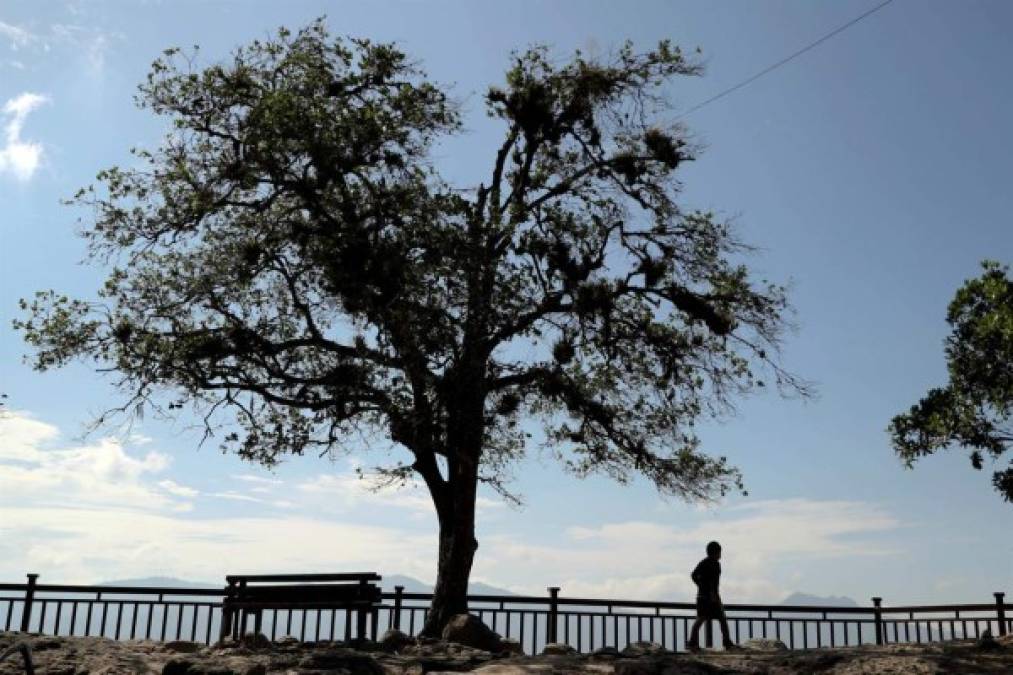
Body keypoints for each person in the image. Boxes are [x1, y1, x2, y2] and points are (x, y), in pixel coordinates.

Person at [686, 541, 735, 651]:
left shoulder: (703, 562)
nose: (720, 555)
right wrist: (713, 594)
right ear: (716, 552)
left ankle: (692, 642)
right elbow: (714, 582)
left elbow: (693, 575)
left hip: (701, 596)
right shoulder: (715, 564)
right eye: (719, 552)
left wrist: (701, 586)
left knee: (700, 619)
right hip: (711, 597)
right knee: (722, 619)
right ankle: (727, 642)